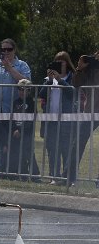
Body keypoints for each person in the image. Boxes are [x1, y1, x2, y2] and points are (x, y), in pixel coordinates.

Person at [0, 38, 31, 172]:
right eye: (3, 50)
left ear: (14, 50)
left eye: (9, 49)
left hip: (15, 111)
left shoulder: (22, 65)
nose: (6, 52)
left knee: (12, 143)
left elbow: (26, 82)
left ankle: (13, 171)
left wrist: (9, 67)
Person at [39, 57, 76, 185]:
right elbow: (41, 94)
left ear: (67, 63)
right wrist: (50, 80)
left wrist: (60, 80)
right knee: (52, 150)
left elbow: (73, 93)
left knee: (66, 150)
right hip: (51, 121)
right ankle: (55, 177)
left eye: (62, 62)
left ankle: (68, 178)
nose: (59, 65)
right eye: (57, 62)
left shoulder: (72, 77)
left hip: (66, 120)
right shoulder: (48, 80)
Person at [72, 53, 99, 185]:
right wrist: (79, 68)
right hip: (90, 112)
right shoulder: (87, 70)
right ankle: (69, 176)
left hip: (94, 111)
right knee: (78, 142)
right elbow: (76, 83)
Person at [6, 79, 40, 178]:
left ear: (29, 91)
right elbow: (11, 118)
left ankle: (35, 175)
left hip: (27, 134)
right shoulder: (15, 102)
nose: (21, 91)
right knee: (17, 153)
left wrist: (21, 130)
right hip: (15, 133)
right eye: (19, 89)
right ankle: (22, 174)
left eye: (24, 89)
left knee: (28, 153)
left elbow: (31, 120)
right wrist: (14, 129)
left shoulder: (32, 104)